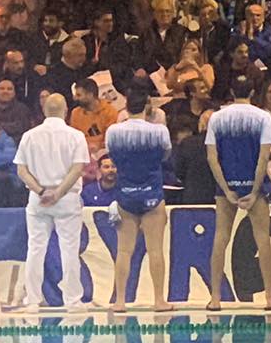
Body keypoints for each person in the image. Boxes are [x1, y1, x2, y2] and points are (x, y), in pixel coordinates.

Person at [204, 75, 271, 311]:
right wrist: (255, 190)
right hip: (254, 186)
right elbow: (263, 158)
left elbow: (212, 158)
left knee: (220, 238)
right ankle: (269, 297)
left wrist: (226, 189)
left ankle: (215, 298)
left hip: (226, 185)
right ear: (252, 93)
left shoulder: (217, 118)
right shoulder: (263, 117)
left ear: (231, 91)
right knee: (263, 239)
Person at [14, 92, 90, 309]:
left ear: (44, 110)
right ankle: (72, 299)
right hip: (67, 198)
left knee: (35, 248)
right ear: (65, 111)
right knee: (69, 249)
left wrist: (41, 191)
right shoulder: (75, 136)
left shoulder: (30, 136)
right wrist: (58, 193)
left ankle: (32, 299)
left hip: (38, 199)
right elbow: (77, 169)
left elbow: (21, 170)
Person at [103, 89, 173, 312]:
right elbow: (165, 156)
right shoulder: (159, 131)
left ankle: (120, 301)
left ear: (126, 107)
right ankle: (159, 300)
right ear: (147, 106)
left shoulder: (113, 131)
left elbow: (112, 156)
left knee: (124, 251)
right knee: (155, 250)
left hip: (125, 193)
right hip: (152, 193)